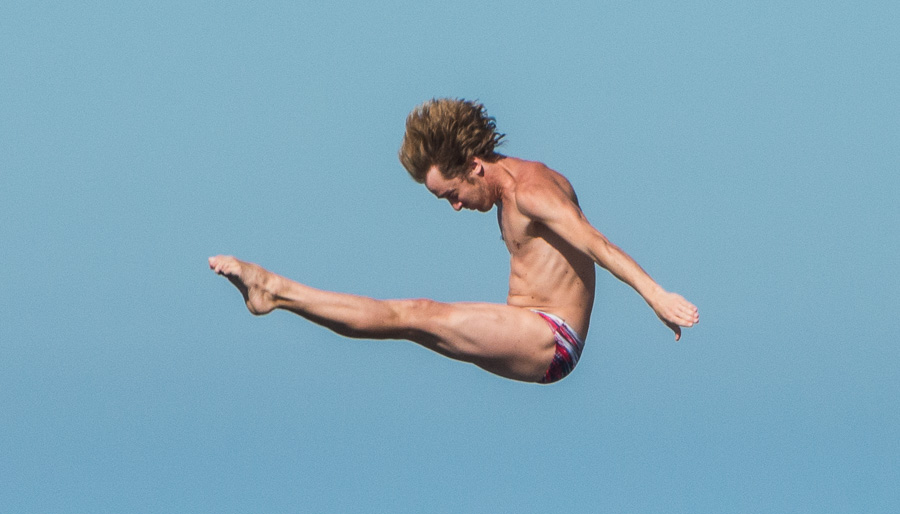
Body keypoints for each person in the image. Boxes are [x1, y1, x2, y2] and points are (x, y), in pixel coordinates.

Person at [209, 98, 699, 384]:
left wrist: (657, 296)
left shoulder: (532, 193)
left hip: (551, 338)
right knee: (410, 324)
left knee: (415, 314)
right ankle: (277, 295)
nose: (457, 207)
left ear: (474, 166)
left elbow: (597, 244)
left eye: (453, 194)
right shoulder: (507, 183)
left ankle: (274, 291)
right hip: (527, 327)